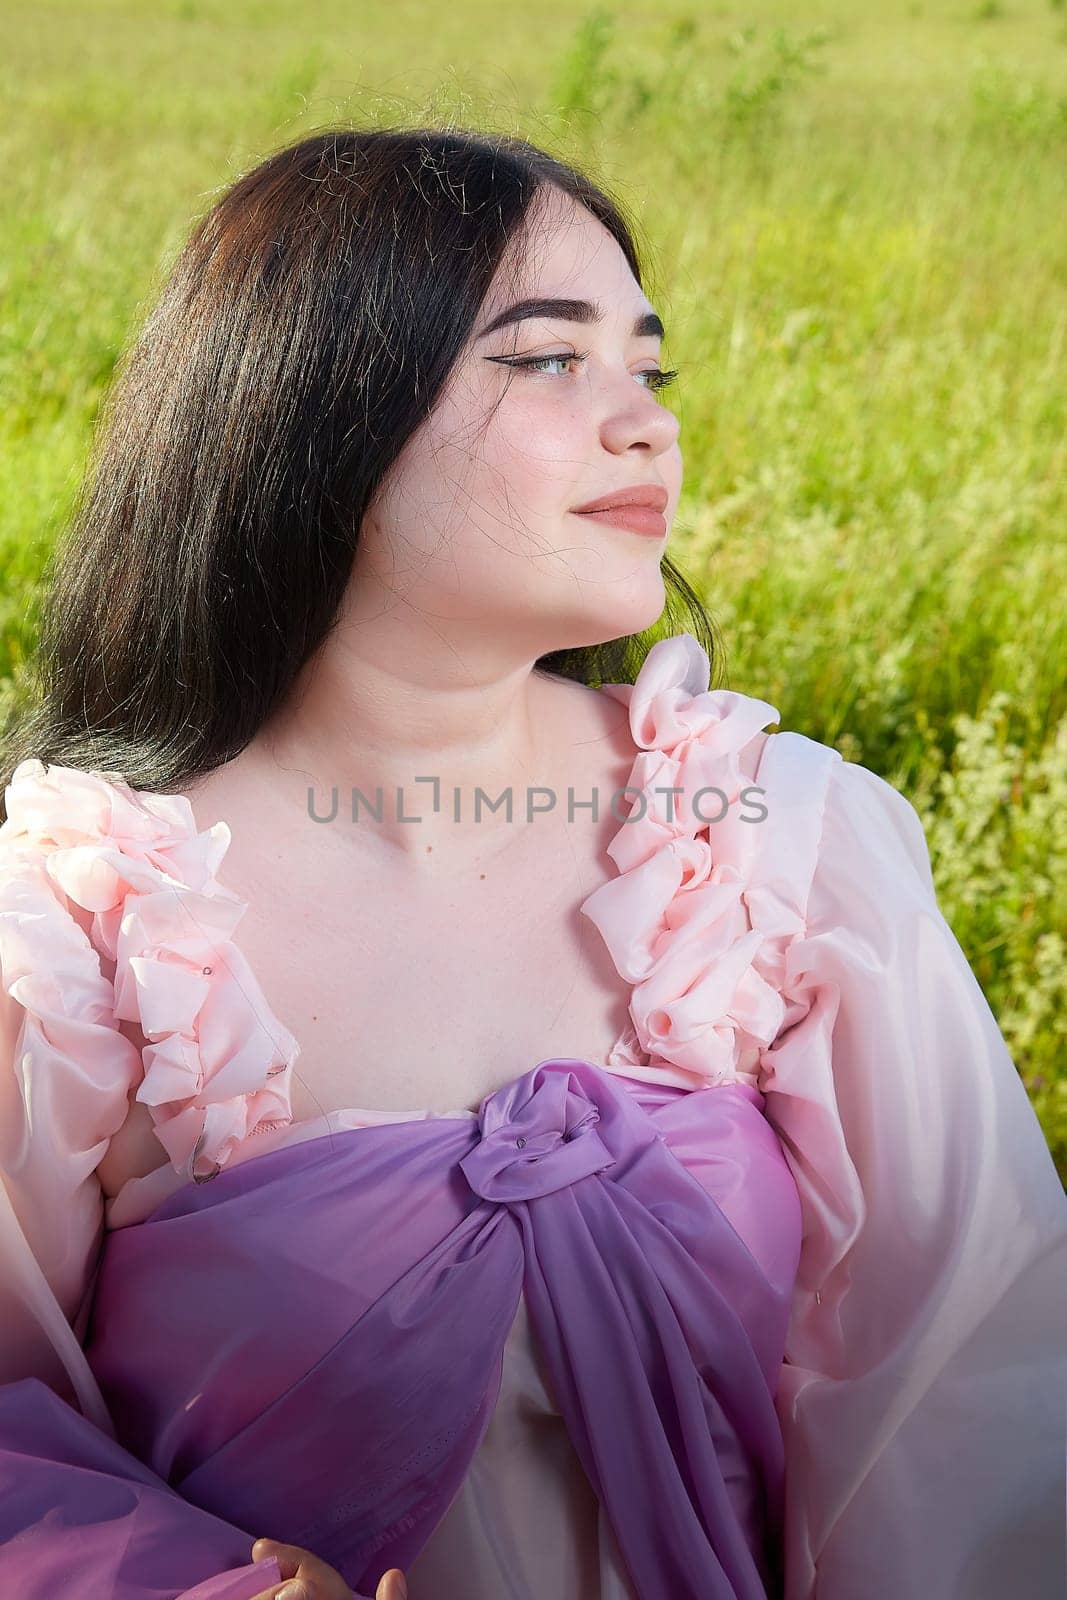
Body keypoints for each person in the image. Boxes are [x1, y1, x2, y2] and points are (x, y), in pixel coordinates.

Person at [0, 125, 1064, 1600]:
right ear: (318, 408)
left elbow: (970, 1390)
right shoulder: (82, 926)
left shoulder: (776, 846)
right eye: (551, 360)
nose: (648, 425)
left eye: (650, 366)